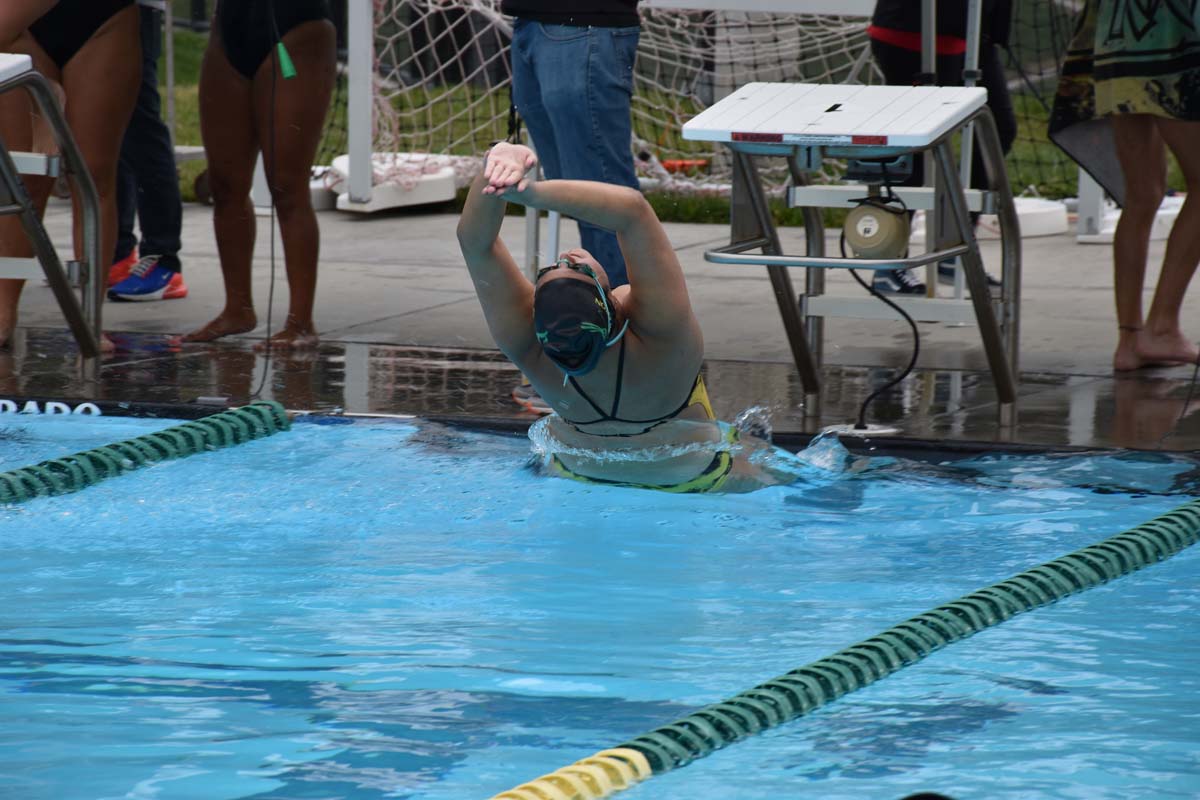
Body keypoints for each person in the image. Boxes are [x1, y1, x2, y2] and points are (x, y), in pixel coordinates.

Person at [457, 141, 783, 494]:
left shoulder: (527, 346)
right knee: (765, 458)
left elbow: (474, 241)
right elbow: (632, 210)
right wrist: (529, 193)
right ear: (610, 303)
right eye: (574, 266)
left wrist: (494, 164)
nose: (566, 255)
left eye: (555, 267)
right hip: (690, 475)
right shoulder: (662, 338)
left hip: (579, 472)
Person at [1049, 1, 1200, 371]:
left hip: (1117, 46)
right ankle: (1162, 327)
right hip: (1173, 43)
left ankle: (1129, 340)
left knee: (1142, 194)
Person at [181, 0, 336, 350]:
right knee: (225, 184)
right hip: (230, 28)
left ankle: (300, 323)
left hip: (296, 28)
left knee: (287, 186)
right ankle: (237, 308)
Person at [0, 0, 141, 349]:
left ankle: (90, 316)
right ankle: (3, 309)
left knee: (91, 176)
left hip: (99, 21)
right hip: (22, 29)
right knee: (24, 177)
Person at [867, 0, 1015, 294]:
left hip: (973, 31)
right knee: (916, 149)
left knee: (997, 131)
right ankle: (888, 260)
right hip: (914, 30)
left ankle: (953, 245)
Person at [107, 0, 188, 302]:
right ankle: (117, 253)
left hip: (129, 11)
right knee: (106, 131)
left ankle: (163, 259)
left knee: (141, 131)